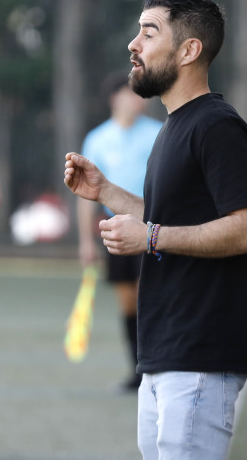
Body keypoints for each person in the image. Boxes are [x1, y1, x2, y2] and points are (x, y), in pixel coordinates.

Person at [63, 0, 247, 460]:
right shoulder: (176, 125)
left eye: (148, 32)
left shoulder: (218, 125)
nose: (134, 45)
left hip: (200, 350)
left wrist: (150, 237)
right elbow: (175, 216)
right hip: (166, 349)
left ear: (189, 50)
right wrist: (107, 193)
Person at [76, 73, 162, 393]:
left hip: (150, 227)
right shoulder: (97, 139)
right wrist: (87, 241)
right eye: (132, 94)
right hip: (114, 229)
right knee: (127, 303)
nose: (139, 100)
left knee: (148, 298)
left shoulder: (157, 134)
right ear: (116, 98)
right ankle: (137, 370)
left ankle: (156, 366)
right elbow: (87, 196)